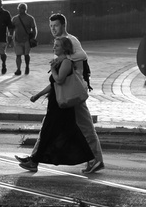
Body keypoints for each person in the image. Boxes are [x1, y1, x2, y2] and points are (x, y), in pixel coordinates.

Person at [17, 37, 93, 173]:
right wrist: (38, 95)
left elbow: (59, 79)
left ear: (64, 48)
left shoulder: (66, 62)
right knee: (68, 132)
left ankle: (34, 161)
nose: (54, 48)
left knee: (49, 132)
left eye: (57, 46)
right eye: (54, 45)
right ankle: (90, 158)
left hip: (61, 106)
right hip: (56, 104)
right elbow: (53, 84)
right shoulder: (59, 62)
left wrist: (52, 69)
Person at [47, 12, 104, 174]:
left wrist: (63, 58)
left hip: (74, 91)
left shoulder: (71, 40)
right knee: (54, 123)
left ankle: (96, 159)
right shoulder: (61, 42)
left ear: (63, 25)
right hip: (67, 91)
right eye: (51, 26)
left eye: (56, 25)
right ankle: (35, 157)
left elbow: (82, 56)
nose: (53, 29)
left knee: (84, 125)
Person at [10, 2, 37, 76]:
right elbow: (11, 29)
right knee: (18, 55)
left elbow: (34, 29)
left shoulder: (30, 18)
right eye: (20, 8)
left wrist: (33, 38)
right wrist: (10, 37)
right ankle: (18, 69)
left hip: (27, 40)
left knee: (26, 55)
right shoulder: (15, 19)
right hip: (17, 40)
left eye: (22, 8)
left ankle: (27, 66)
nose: (21, 10)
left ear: (25, 9)